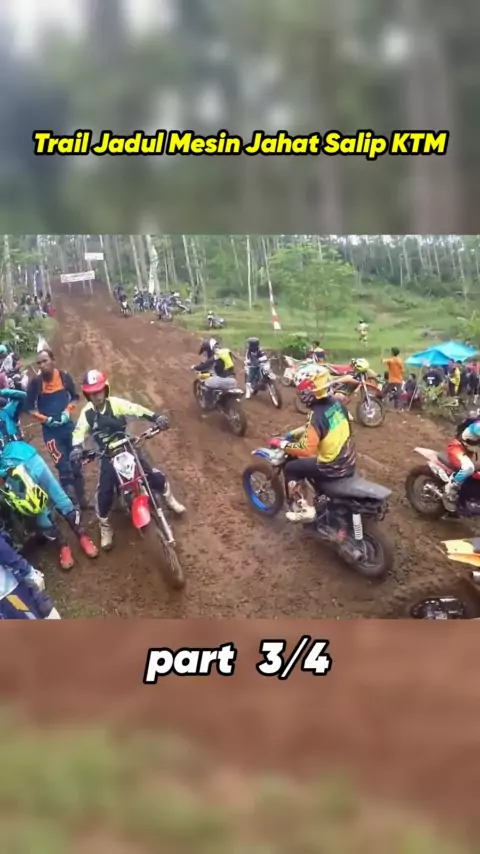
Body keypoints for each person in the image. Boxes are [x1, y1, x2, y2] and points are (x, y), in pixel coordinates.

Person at [70, 370, 185, 550]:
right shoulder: (87, 414)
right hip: (106, 453)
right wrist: (77, 447)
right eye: (92, 392)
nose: (97, 395)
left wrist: (155, 417)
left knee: (149, 474)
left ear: (105, 390)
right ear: (87, 394)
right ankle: (105, 525)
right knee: (105, 491)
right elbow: (79, 432)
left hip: (127, 445)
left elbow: (135, 408)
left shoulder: (115, 404)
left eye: (99, 390)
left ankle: (168, 498)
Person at [270, 366, 356, 522]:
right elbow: (323, 427)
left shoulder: (316, 415)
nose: (299, 394)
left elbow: (306, 449)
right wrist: (293, 434)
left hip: (332, 467)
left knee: (291, 468)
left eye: (301, 390)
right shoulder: (336, 403)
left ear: (309, 392)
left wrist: (282, 444)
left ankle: (302, 508)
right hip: (348, 459)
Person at [0, 435, 98, 571]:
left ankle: (82, 536)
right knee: (38, 509)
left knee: (58, 495)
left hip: (25, 456)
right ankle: (62, 545)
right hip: (7, 472)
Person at [26, 348, 89, 510]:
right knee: (63, 467)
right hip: (51, 433)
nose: (42, 365)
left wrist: (68, 411)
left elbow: (75, 397)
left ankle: (82, 500)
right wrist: (45, 419)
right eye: (39, 363)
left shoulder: (64, 377)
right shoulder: (35, 383)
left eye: (45, 361)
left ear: (53, 360)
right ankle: (72, 506)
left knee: (77, 463)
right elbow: (29, 408)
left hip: (68, 428)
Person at [0, 530, 57, 619]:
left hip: (12, 586)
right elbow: (4, 551)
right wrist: (28, 571)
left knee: (46, 610)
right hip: (9, 591)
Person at [193, 339, 237, 406]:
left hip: (221, 381)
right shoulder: (227, 351)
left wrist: (195, 367)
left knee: (207, 382)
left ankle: (209, 403)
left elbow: (206, 364)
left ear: (210, 348)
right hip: (233, 381)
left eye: (206, 351)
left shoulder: (217, 354)